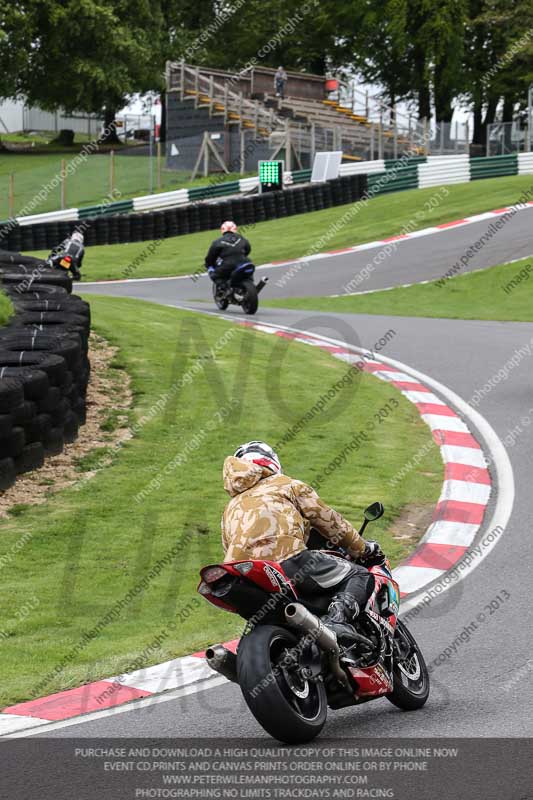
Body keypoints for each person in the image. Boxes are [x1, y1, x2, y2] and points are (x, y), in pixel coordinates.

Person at [221, 441, 385, 643]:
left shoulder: (230, 509)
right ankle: (337, 621)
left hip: (244, 577)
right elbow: (330, 522)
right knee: (360, 575)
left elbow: (227, 547)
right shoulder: (286, 484)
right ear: (271, 463)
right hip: (287, 560)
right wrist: (363, 548)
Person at [205, 221, 251, 286]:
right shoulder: (242, 238)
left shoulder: (217, 241)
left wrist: (209, 265)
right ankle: (250, 281)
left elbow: (210, 257)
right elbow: (248, 249)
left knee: (214, 274)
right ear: (235, 229)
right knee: (248, 270)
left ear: (222, 230)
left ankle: (223, 287)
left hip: (227, 265)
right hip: (245, 262)